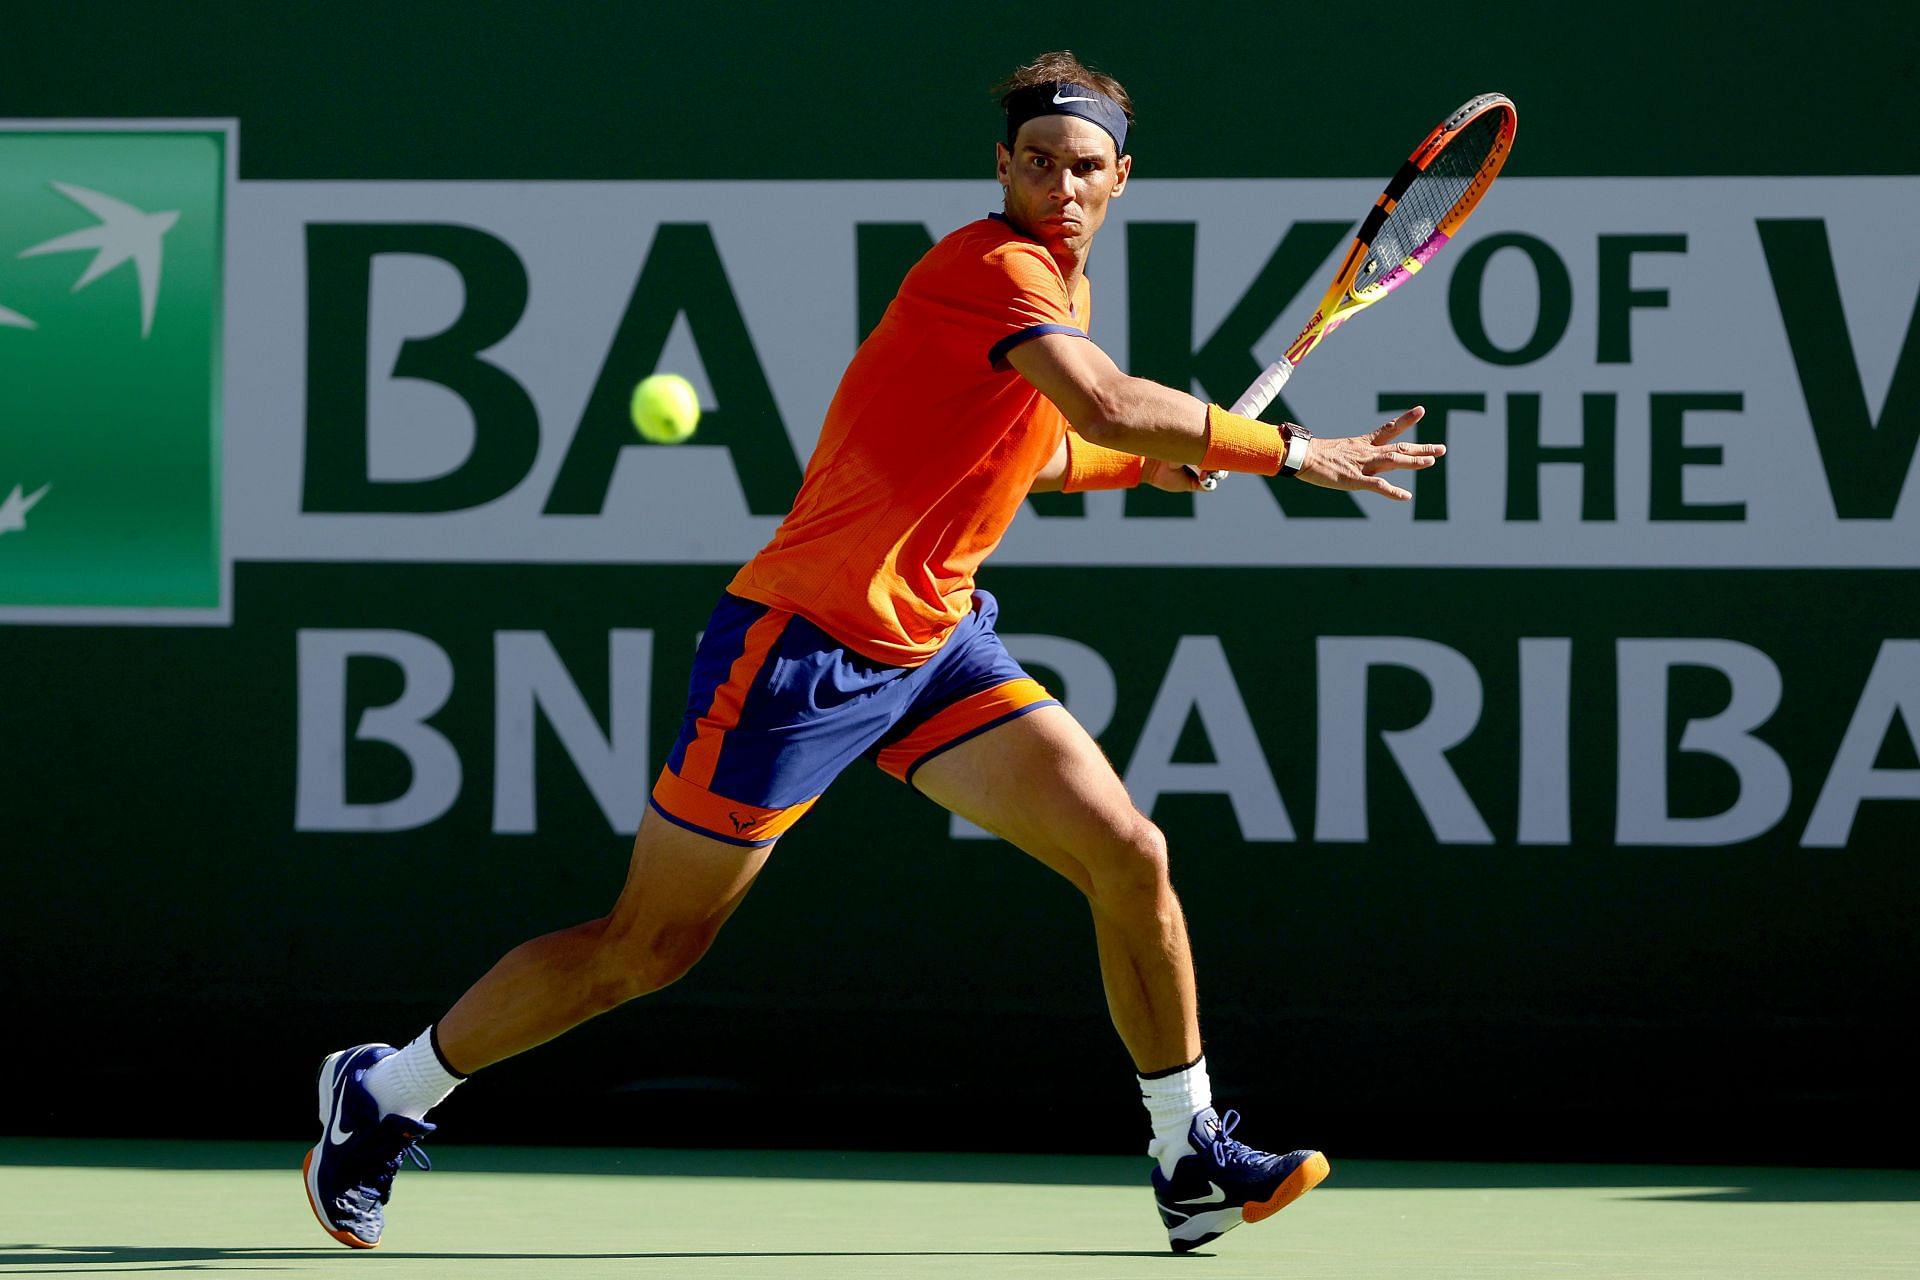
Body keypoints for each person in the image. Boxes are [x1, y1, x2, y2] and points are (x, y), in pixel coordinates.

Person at [303, 49, 1442, 1255]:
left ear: (1121, 180)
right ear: (1002, 166)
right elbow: (1102, 403)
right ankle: (385, 1090)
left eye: (1086, 168)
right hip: (800, 647)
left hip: (934, 642)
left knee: (1128, 851)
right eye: (1040, 162)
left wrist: (1157, 461)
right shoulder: (989, 266)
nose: (1062, 185)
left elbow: (1043, 445)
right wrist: (1286, 452)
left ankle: (1188, 1151)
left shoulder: (1056, 284)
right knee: (646, 948)